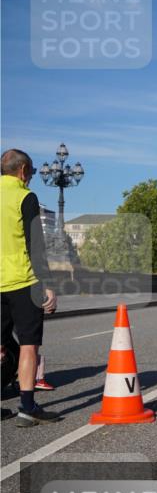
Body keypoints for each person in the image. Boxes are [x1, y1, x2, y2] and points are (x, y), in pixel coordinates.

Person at [0, 149, 62, 427]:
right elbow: (34, 244)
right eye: (33, 172)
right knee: (28, 345)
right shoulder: (25, 196)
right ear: (23, 170)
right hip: (22, 281)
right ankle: (27, 408)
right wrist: (47, 284)